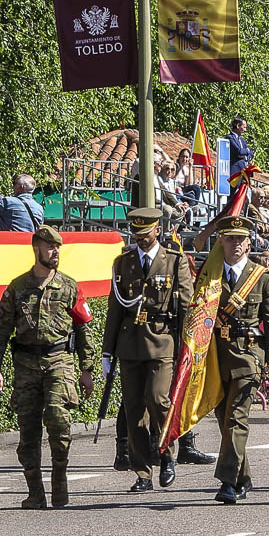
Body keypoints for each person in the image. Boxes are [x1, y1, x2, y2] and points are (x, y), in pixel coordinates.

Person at [0, 225, 92, 508]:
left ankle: (60, 482)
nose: (55, 252)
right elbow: (0, 331)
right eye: (50, 247)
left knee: (58, 420)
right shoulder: (18, 288)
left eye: (58, 247)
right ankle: (35, 493)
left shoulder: (69, 286)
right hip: (26, 365)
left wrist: (87, 369)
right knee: (28, 430)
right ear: (37, 249)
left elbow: (83, 329)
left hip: (59, 361)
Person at [100, 206, 195, 492]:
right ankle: (142, 472)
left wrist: (187, 348)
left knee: (157, 399)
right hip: (130, 343)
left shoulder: (174, 261)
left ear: (158, 230)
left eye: (146, 234)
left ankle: (167, 454)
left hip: (162, 340)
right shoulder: (123, 263)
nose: (141, 239)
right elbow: (115, 309)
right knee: (134, 409)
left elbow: (186, 307)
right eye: (137, 234)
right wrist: (107, 351)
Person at [207, 213, 269, 504]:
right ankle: (243, 477)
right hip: (216, 358)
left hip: (248, 357)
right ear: (221, 241)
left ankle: (227, 482)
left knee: (237, 419)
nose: (236, 244)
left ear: (249, 243)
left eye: (241, 239)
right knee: (224, 420)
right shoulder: (209, 275)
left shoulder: (263, 277)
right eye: (230, 239)